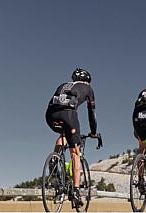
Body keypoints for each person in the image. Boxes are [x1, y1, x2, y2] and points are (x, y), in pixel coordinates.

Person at [45, 68, 98, 207]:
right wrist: (93, 131)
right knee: (75, 153)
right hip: (68, 115)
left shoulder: (63, 85)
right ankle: (75, 191)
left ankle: (54, 162)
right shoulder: (88, 88)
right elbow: (91, 113)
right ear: (87, 81)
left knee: (63, 135)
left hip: (50, 115)